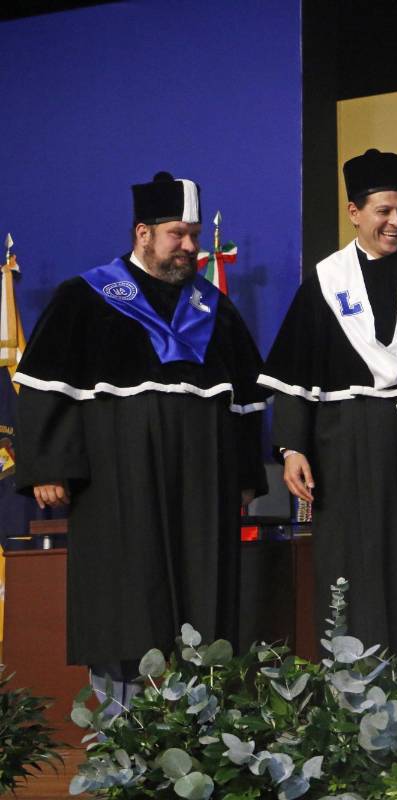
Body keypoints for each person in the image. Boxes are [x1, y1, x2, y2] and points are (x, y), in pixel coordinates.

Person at [15, 171, 268, 707]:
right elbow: (45, 385)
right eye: (178, 234)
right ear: (143, 233)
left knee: (203, 597)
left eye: (194, 235)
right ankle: (123, 729)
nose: (190, 247)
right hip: (116, 479)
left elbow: (245, 401)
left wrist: (246, 476)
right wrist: (49, 466)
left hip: (202, 482)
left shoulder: (213, 309)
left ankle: (202, 726)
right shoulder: (85, 298)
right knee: (125, 595)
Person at [259, 149, 397, 662]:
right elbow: (295, 373)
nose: (395, 221)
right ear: (354, 212)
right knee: (350, 559)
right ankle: (353, 681)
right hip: (345, 441)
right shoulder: (326, 282)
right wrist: (292, 447)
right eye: (384, 211)